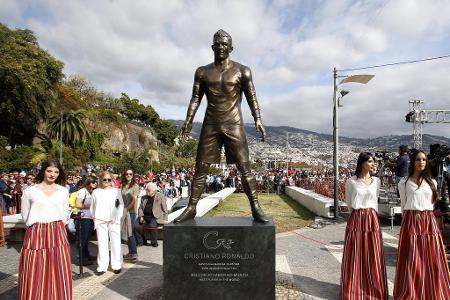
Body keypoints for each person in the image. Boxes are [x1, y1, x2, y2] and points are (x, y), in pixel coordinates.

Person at [175, 29, 268, 223]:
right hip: (211, 123)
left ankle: (256, 207)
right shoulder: (202, 72)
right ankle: (192, 207)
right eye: (217, 44)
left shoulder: (243, 71)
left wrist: (257, 118)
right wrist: (188, 120)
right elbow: (195, 98)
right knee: (201, 167)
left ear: (231, 48)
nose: (220, 47)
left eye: (224, 44)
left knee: (245, 167)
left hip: (234, 123)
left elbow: (252, 97)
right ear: (212, 47)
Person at [394, 150, 450, 299]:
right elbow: (404, 205)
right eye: (418, 159)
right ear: (413, 162)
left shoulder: (433, 182)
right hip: (411, 220)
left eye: (424, 159)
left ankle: (430, 290)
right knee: (412, 258)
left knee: (431, 258)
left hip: (428, 221)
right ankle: (412, 291)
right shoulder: (404, 183)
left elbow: (431, 203)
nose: (422, 162)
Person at [18, 160, 72, 299]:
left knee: (58, 268)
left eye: (56, 171)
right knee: (35, 268)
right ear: (43, 171)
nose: (52, 174)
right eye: (49, 170)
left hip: (57, 231)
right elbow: (26, 215)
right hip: (36, 232)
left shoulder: (63, 191)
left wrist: (58, 228)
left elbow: (65, 214)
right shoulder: (30, 191)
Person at [340, 152, 388, 299]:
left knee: (373, 253)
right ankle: (354, 288)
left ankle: (373, 288)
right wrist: (358, 214)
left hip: (372, 219)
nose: (373, 164)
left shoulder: (377, 181)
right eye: (370, 161)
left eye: (373, 162)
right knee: (355, 253)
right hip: (357, 218)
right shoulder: (351, 181)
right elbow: (349, 203)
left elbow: (375, 201)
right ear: (362, 163)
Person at [90, 171, 124, 275]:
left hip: (114, 220)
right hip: (101, 221)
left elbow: (120, 205)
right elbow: (93, 207)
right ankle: (102, 266)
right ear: (100, 179)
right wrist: (95, 218)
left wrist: (117, 216)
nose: (107, 181)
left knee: (115, 243)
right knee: (102, 244)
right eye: (105, 179)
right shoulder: (96, 192)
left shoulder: (116, 191)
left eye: (109, 179)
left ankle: (117, 265)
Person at [134, 182, 168, 247]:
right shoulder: (143, 198)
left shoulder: (160, 196)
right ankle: (141, 241)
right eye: (146, 190)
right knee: (136, 226)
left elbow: (165, 209)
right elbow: (140, 208)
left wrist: (165, 219)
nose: (147, 191)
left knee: (152, 225)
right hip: (145, 216)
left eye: (148, 190)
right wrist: (141, 216)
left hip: (155, 217)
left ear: (154, 190)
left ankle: (154, 242)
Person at [74, 175, 97, 266]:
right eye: (93, 182)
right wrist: (91, 206)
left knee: (87, 238)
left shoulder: (92, 192)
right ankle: (81, 258)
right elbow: (78, 204)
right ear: (88, 182)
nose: (95, 183)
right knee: (82, 239)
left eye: (95, 182)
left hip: (90, 218)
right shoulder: (82, 191)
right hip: (83, 218)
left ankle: (86, 255)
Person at [121, 169, 139, 262]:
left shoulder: (135, 186)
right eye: (127, 173)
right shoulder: (123, 186)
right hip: (123, 211)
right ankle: (131, 252)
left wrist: (127, 209)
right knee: (127, 232)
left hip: (131, 211)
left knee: (130, 231)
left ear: (133, 175)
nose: (128, 175)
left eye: (130, 174)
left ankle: (133, 253)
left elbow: (134, 200)